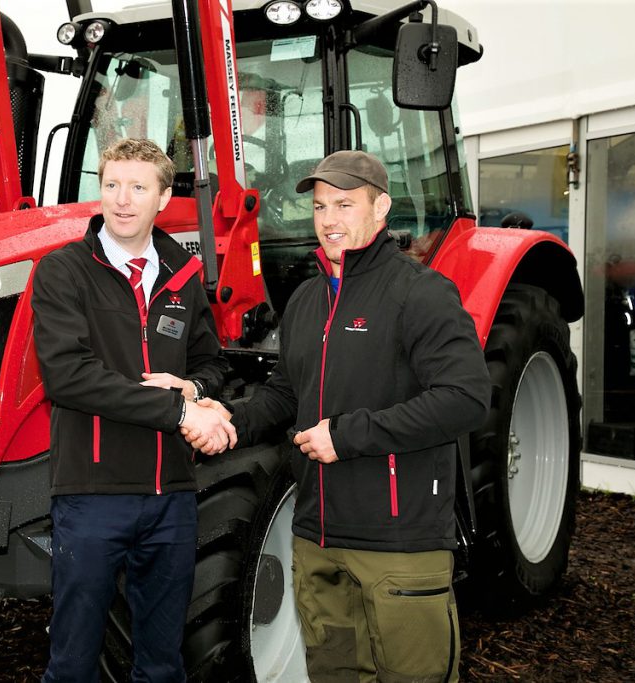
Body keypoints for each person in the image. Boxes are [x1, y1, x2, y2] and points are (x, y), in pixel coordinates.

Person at [190, 150, 491, 681]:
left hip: (399, 545)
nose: (329, 220)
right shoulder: (307, 299)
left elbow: (466, 397)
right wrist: (229, 417)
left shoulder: (420, 293)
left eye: (345, 205)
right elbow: (285, 395)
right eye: (321, 206)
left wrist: (349, 436)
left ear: (381, 210)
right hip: (317, 541)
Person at [32, 138, 236, 682]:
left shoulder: (183, 274)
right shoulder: (63, 271)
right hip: (93, 495)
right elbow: (69, 378)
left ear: (164, 197)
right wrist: (178, 411)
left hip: (172, 497)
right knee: (73, 663)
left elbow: (213, 363)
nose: (122, 200)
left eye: (139, 187)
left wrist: (192, 386)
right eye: (112, 185)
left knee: (163, 665)